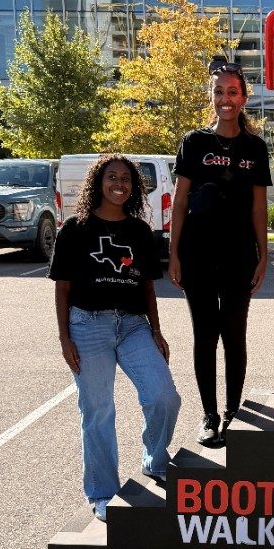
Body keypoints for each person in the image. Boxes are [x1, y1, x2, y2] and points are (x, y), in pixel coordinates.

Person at [50, 156, 181, 522]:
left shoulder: (140, 231)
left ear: (134, 186)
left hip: (134, 325)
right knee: (98, 412)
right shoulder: (75, 229)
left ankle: (155, 460)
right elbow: (62, 289)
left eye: (126, 179)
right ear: (99, 182)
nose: (119, 184)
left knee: (164, 396)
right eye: (112, 177)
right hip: (87, 325)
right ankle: (103, 491)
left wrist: (156, 330)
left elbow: (148, 286)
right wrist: (64, 338)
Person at [169, 58, 272, 446]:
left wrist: (264, 255)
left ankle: (233, 411)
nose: (225, 99)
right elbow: (180, 202)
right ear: (210, 96)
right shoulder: (194, 142)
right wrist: (174, 252)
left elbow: (258, 208)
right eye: (218, 92)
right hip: (197, 253)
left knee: (234, 333)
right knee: (204, 335)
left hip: (238, 254)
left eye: (232, 92)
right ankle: (209, 415)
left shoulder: (255, 148)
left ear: (243, 97)